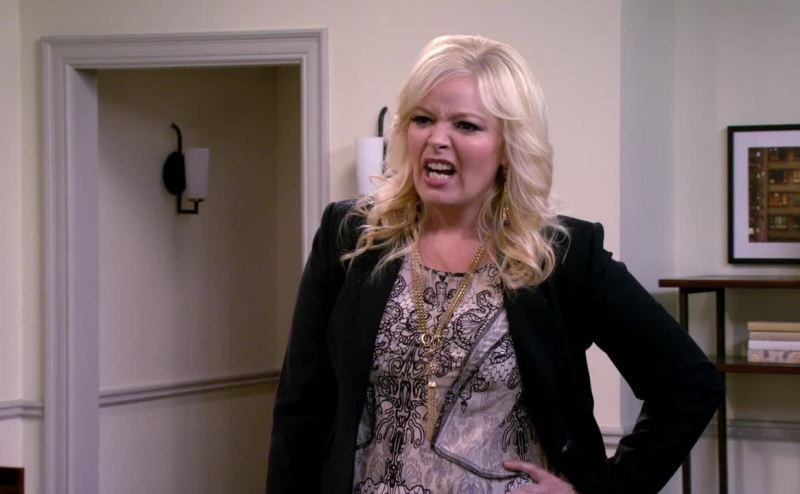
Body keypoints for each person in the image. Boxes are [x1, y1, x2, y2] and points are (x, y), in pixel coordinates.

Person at [266, 34, 723, 494]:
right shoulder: (353, 237)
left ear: (508, 146)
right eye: (423, 119)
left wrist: (602, 491)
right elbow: (300, 410)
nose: (437, 140)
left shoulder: (560, 255)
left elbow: (689, 382)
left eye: (466, 125)